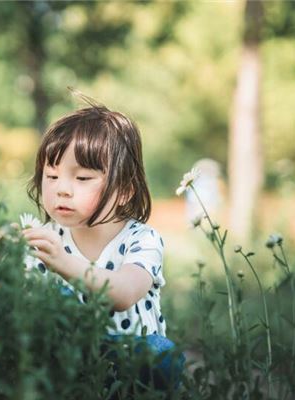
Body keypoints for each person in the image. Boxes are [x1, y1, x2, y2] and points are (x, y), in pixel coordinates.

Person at [21, 100, 185, 395]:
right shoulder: (45, 237)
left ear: (124, 189)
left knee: (161, 352)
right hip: (67, 361)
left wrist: (62, 260)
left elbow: (122, 294)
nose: (62, 188)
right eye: (52, 176)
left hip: (128, 362)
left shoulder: (141, 240)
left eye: (82, 178)